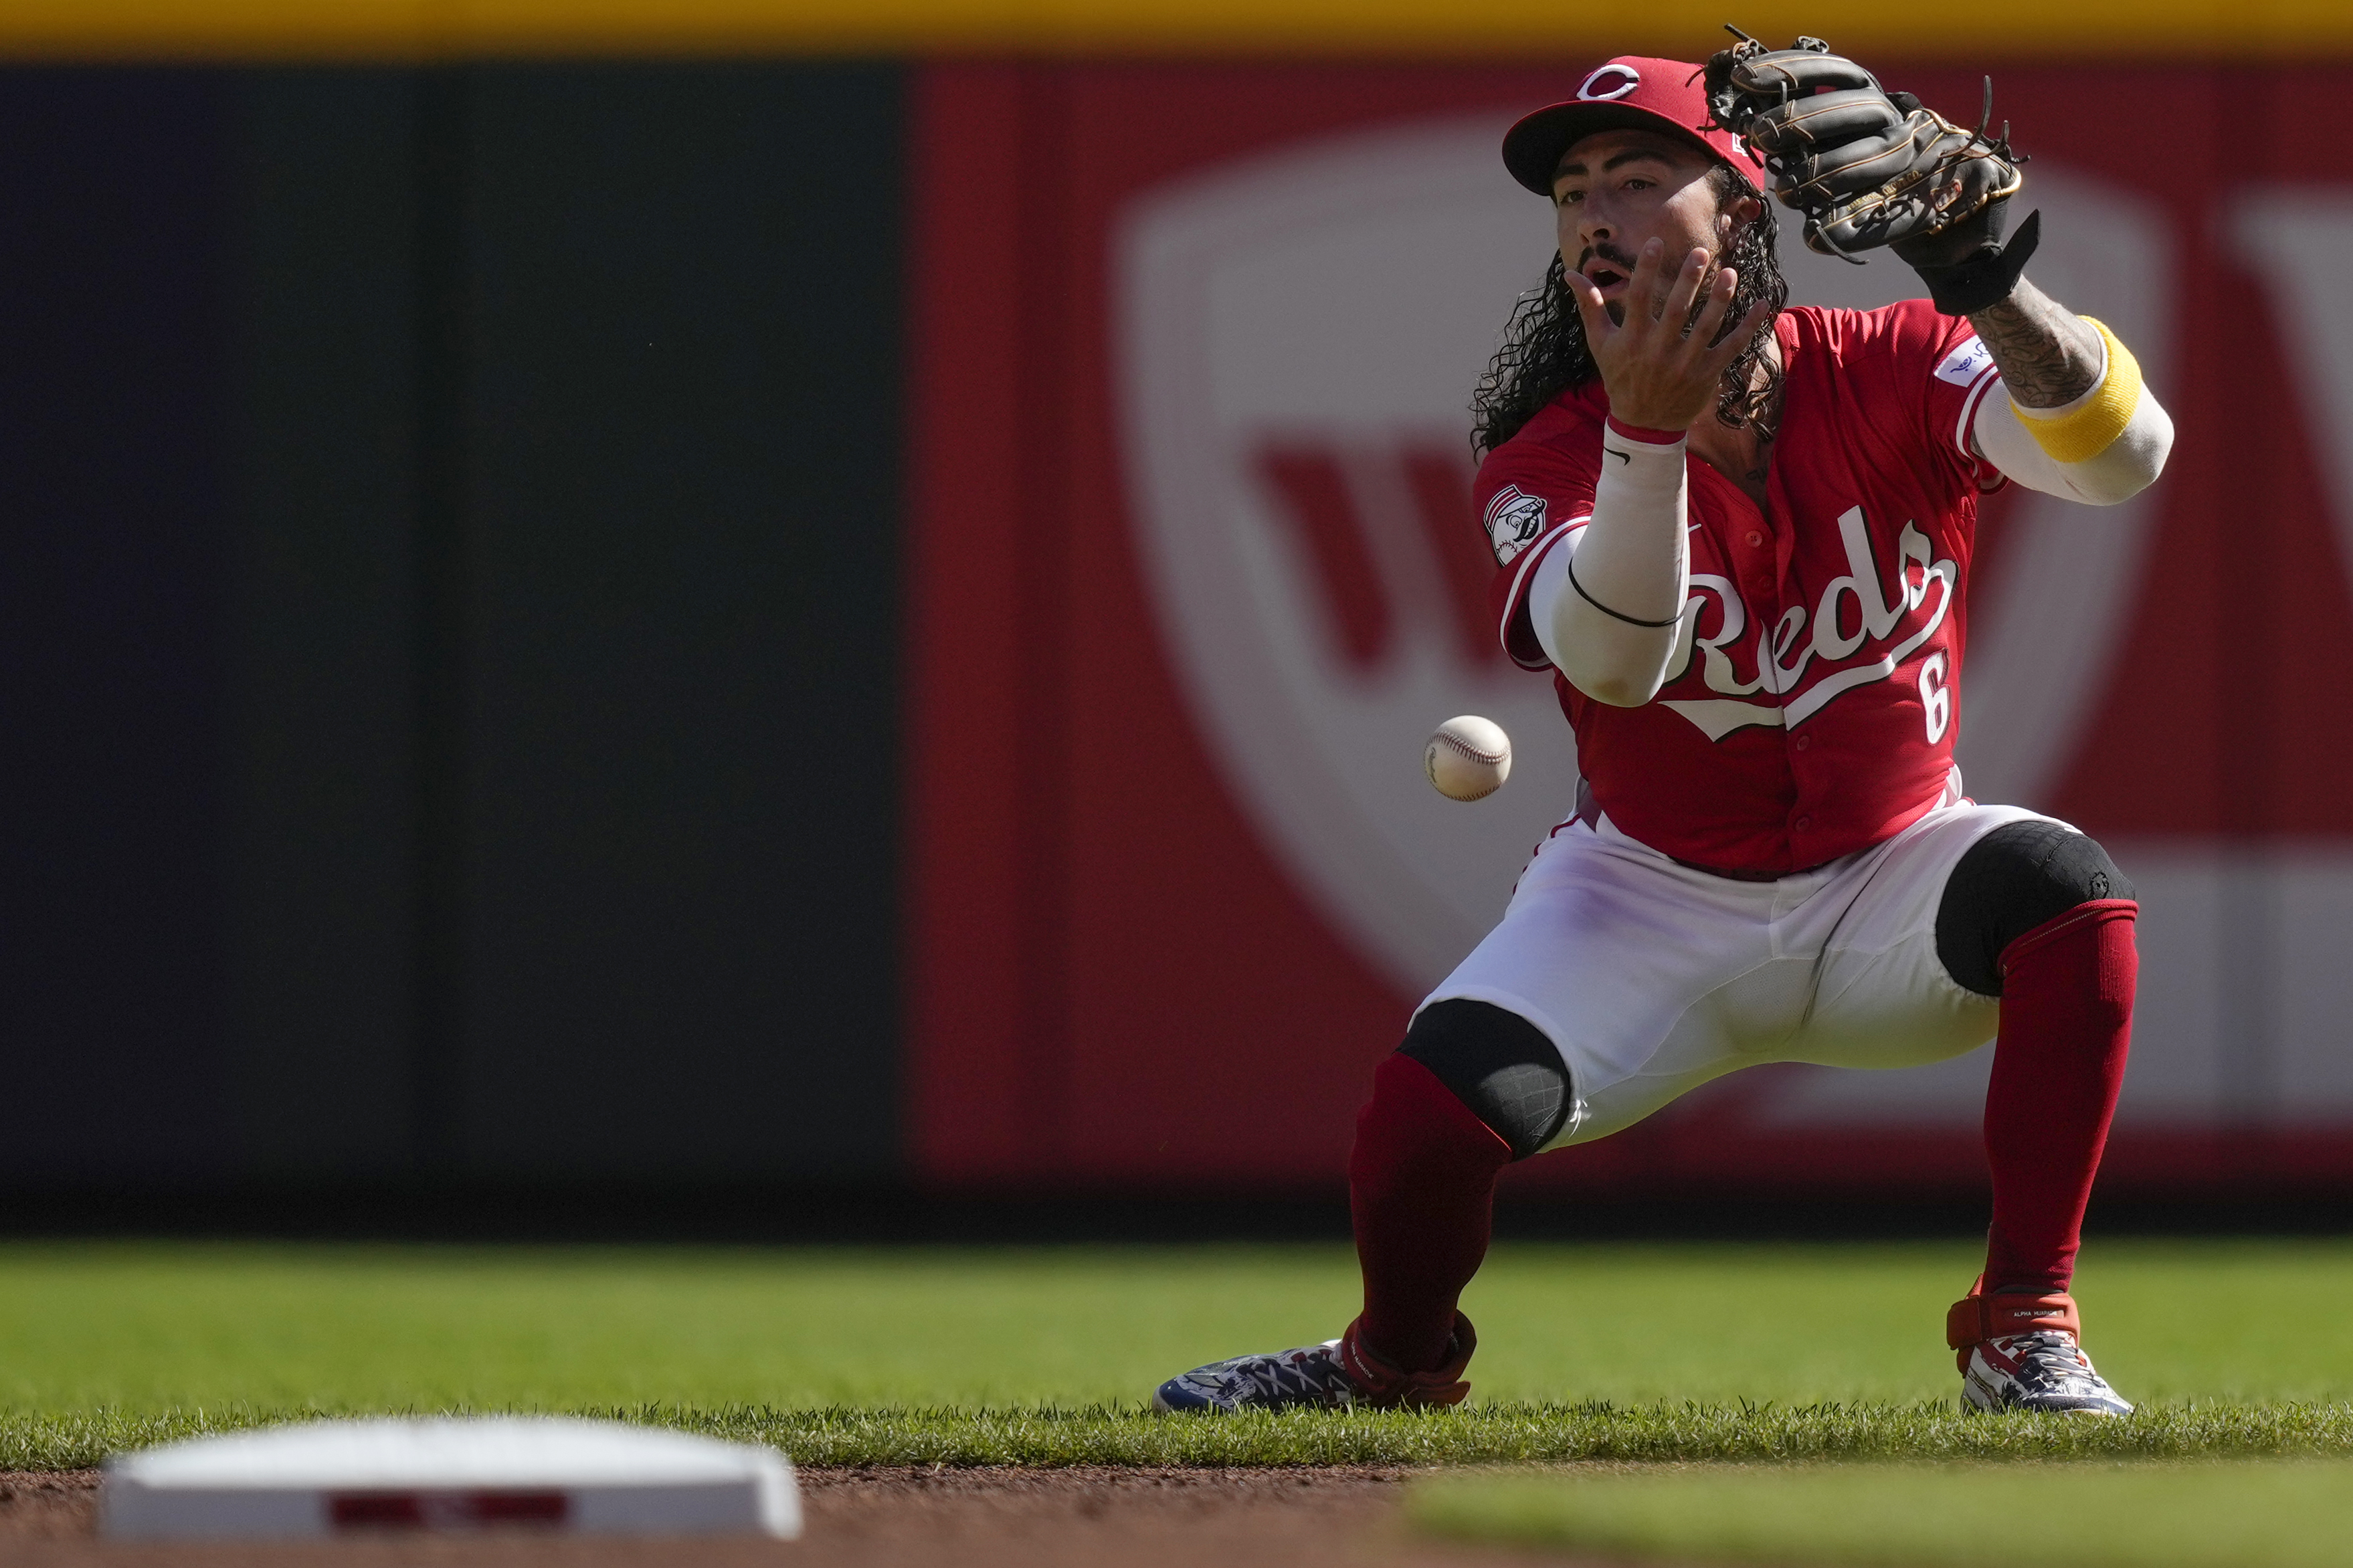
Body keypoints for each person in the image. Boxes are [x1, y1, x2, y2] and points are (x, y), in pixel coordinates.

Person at [1153, 50, 2172, 1417]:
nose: (1593, 215)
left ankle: (2023, 1321)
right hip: (1645, 896)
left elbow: (2122, 455)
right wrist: (1643, 434)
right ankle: (1388, 1361)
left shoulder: (1891, 363)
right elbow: (1619, 664)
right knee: (1419, 1128)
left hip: (1891, 876)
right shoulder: (1546, 451)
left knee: (2072, 901)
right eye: (1572, 192)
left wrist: (1991, 290)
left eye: (1638, 178)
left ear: (1744, 213)